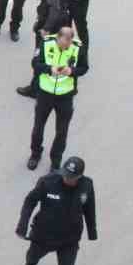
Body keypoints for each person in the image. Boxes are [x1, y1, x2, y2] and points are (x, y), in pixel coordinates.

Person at [15, 155, 98, 265]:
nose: (67, 179)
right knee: (34, 255)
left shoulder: (86, 186)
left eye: (71, 177)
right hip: (44, 234)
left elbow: (89, 209)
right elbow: (30, 201)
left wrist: (92, 232)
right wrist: (22, 225)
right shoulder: (48, 182)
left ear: (79, 177)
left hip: (69, 239)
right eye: (65, 175)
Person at [16, 0, 73, 97]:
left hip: (51, 22)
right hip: (64, 19)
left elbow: (54, 8)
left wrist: (46, 28)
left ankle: (36, 89)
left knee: (39, 58)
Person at [27, 25, 80, 172]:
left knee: (62, 132)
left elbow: (84, 68)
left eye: (68, 45)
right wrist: (49, 69)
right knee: (38, 127)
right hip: (45, 94)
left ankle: (56, 161)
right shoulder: (45, 44)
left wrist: (72, 71)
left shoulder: (77, 48)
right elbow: (35, 64)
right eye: (62, 44)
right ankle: (35, 154)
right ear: (58, 38)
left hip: (65, 97)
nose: (65, 47)